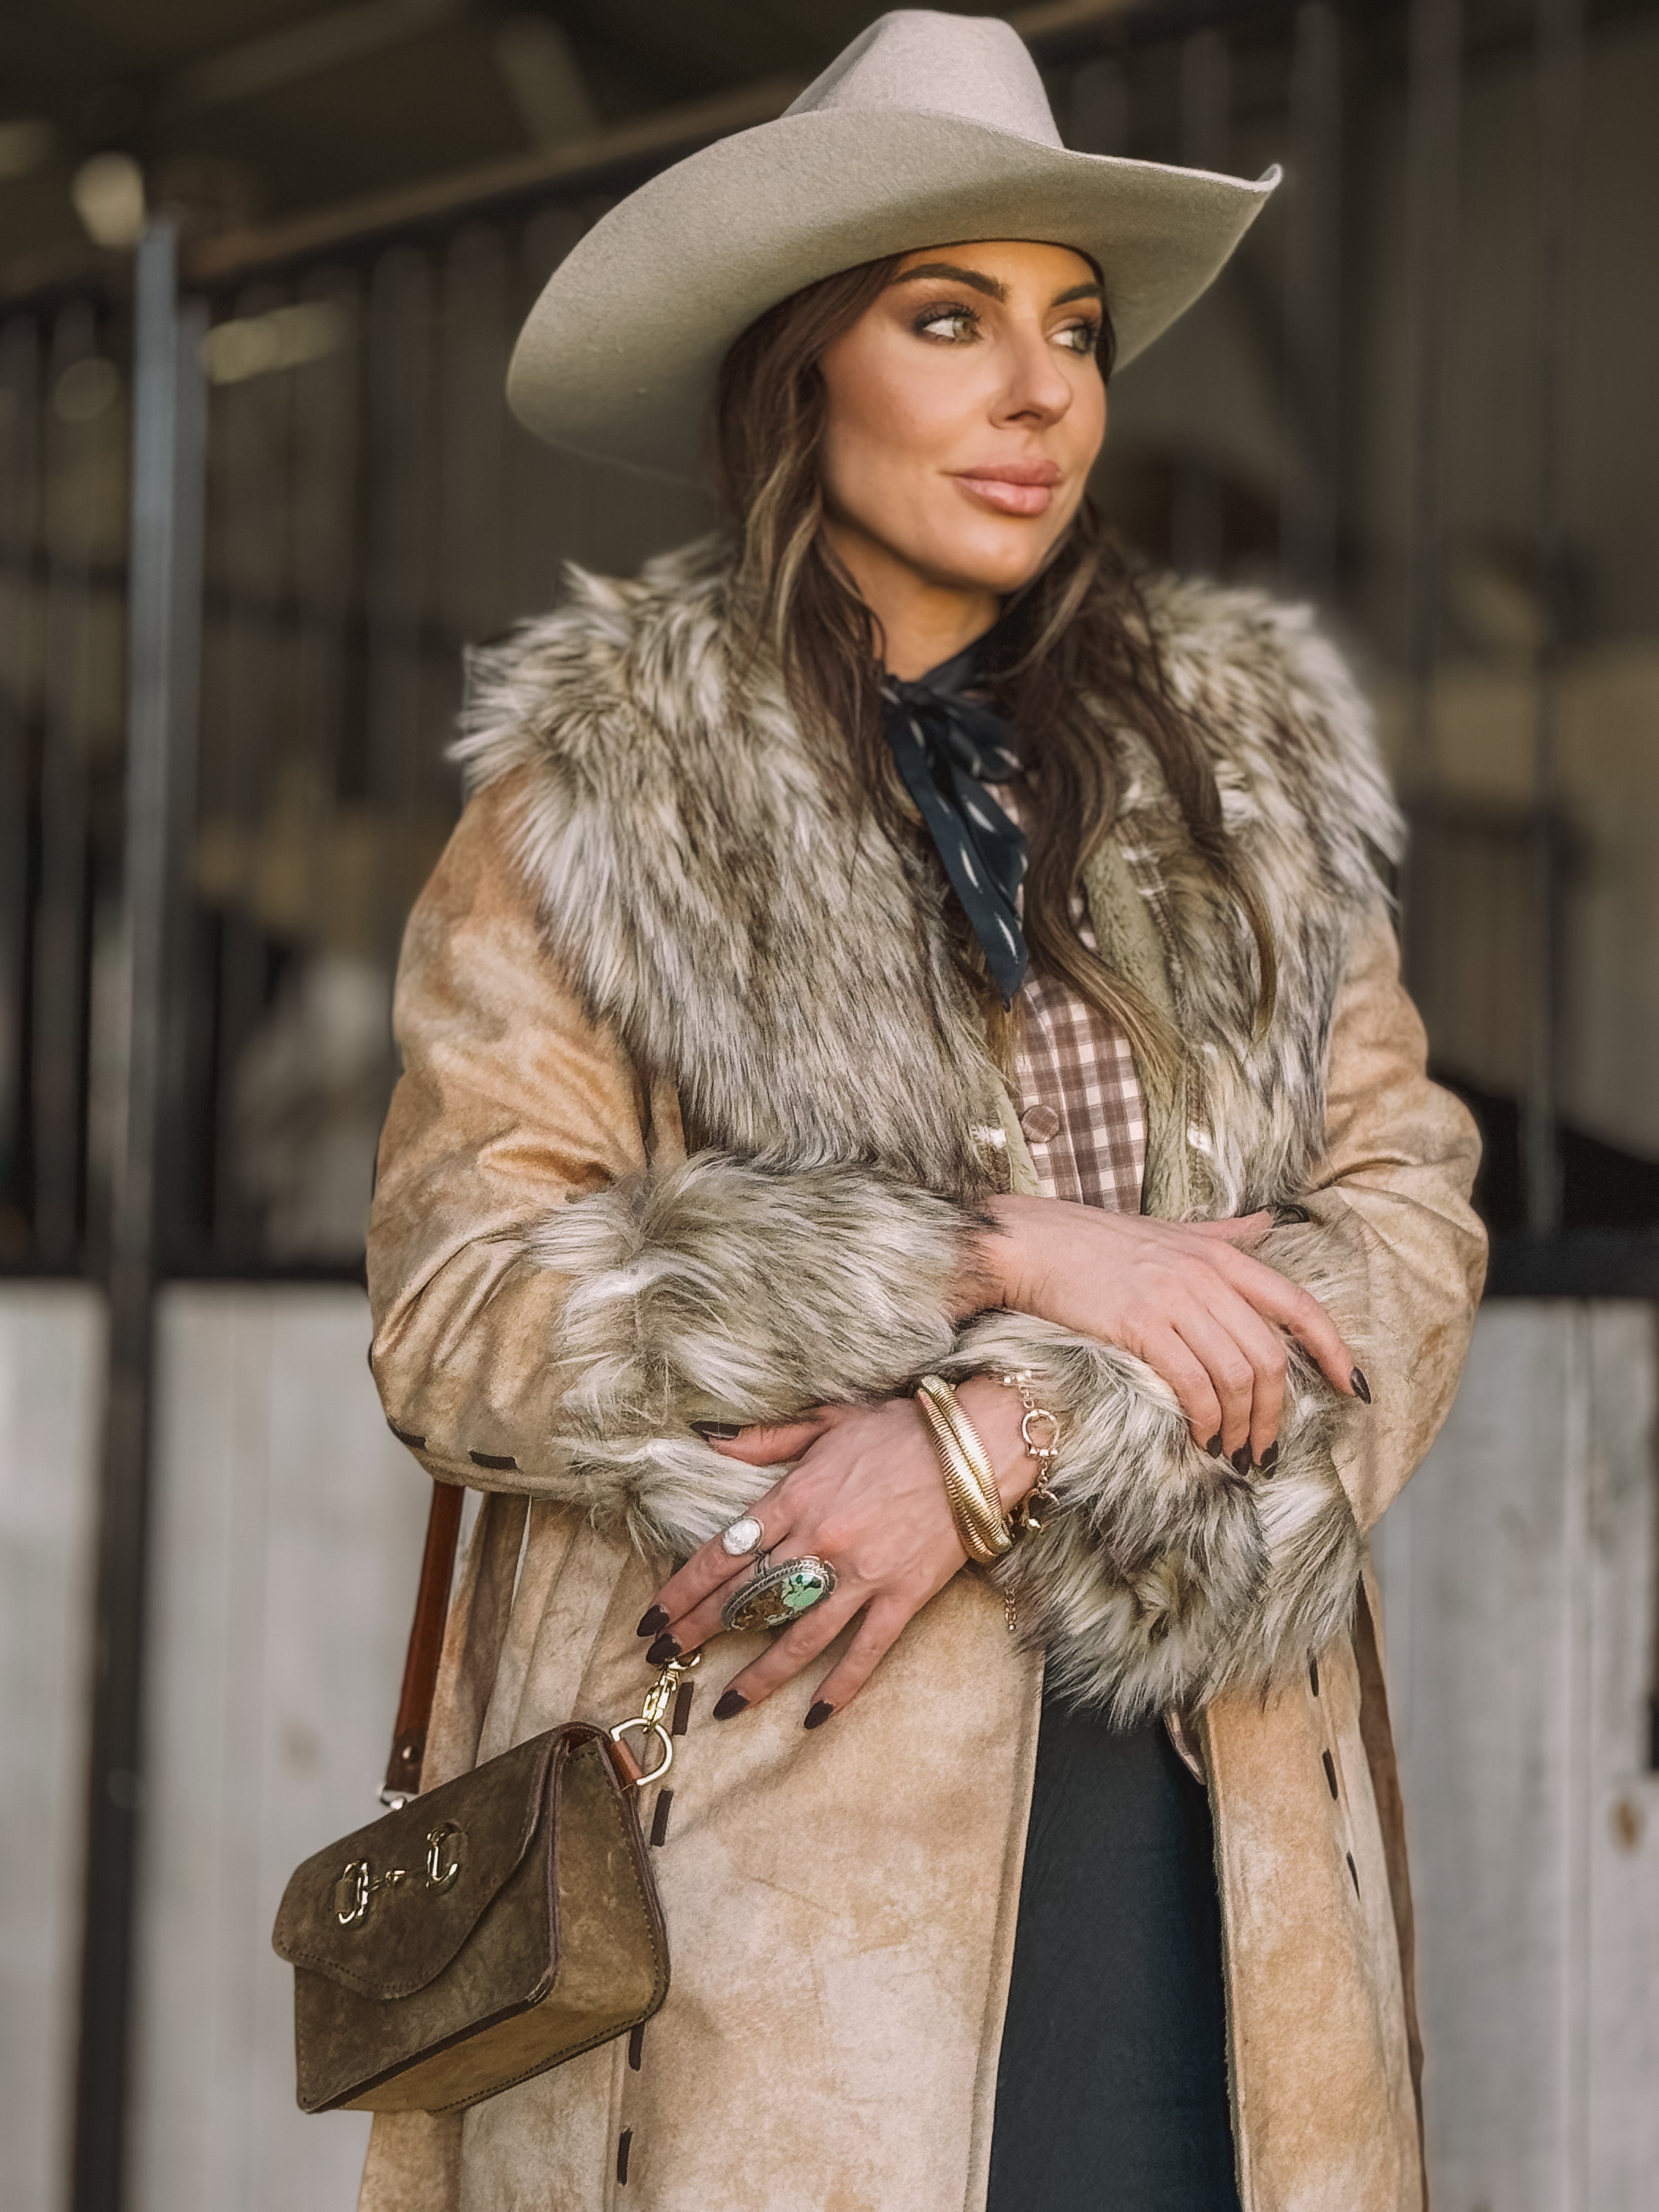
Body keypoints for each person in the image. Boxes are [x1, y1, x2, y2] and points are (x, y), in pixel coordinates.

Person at [358, 14, 1485, 2211]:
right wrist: (978, 1255)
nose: (1038, 388)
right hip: (769, 1860)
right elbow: (462, 1311)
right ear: (802, 372)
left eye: (1070, 327)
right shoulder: (597, 805)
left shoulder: (1242, 785)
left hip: (1214, 1822)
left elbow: (1407, 1218)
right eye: (945, 317)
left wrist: (998, 1433)